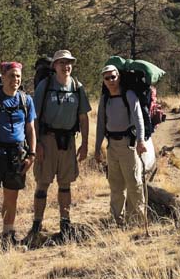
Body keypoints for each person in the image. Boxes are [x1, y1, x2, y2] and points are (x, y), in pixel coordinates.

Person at [25, 50, 90, 243]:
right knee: (42, 183)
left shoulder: (77, 87)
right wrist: (36, 146)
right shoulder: (45, 86)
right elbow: (33, 118)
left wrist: (85, 144)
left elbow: (83, 118)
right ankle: (37, 225)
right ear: (54, 66)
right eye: (61, 62)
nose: (66, 66)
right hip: (47, 140)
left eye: (69, 62)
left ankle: (65, 224)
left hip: (68, 142)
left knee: (65, 184)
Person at [0, 62, 36, 247]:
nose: (15, 80)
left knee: (12, 198)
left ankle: (8, 236)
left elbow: (30, 129)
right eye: (11, 76)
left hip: (17, 155)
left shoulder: (26, 100)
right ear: (3, 77)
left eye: (18, 76)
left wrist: (31, 154)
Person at [94, 65, 147, 226]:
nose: (111, 80)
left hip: (128, 145)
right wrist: (97, 148)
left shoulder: (129, 95)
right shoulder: (105, 99)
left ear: (119, 77)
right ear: (103, 80)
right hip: (112, 147)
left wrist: (141, 140)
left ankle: (137, 220)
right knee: (115, 185)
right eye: (107, 78)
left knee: (133, 183)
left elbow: (139, 119)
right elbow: (100, 125)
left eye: (113, 77)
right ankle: (117, 219)